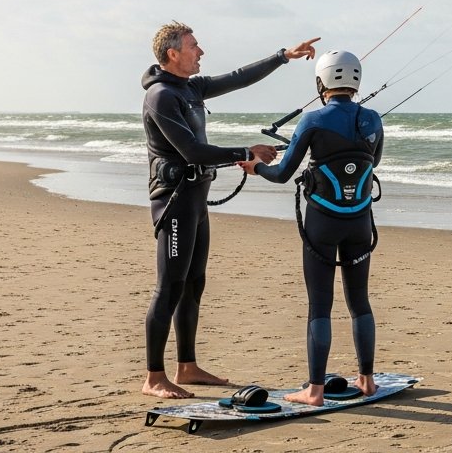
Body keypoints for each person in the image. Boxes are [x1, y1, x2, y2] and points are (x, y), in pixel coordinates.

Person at [140, 21, 320, 400]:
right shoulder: (161, 96)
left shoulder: (190, 88)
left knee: (194, 283)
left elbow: (238, 78)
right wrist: (245, 153)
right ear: (173, 54)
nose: (200, 51)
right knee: (169, 286)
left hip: (195, 198)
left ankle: (186, 366)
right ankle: (154, 376)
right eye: (194, 46)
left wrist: (282, 56)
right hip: (173, 200)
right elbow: (190, 150)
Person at [239, 49, 384, 406]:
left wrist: (254, 167)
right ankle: (366, 379)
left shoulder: (312, 120)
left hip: (323, 222)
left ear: (321, 82)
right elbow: (372, 161)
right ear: (356, 82)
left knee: (320, 304)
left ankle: (315, 389)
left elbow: (282, 174)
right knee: (359, 301)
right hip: (360, 221)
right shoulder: (374, 119)